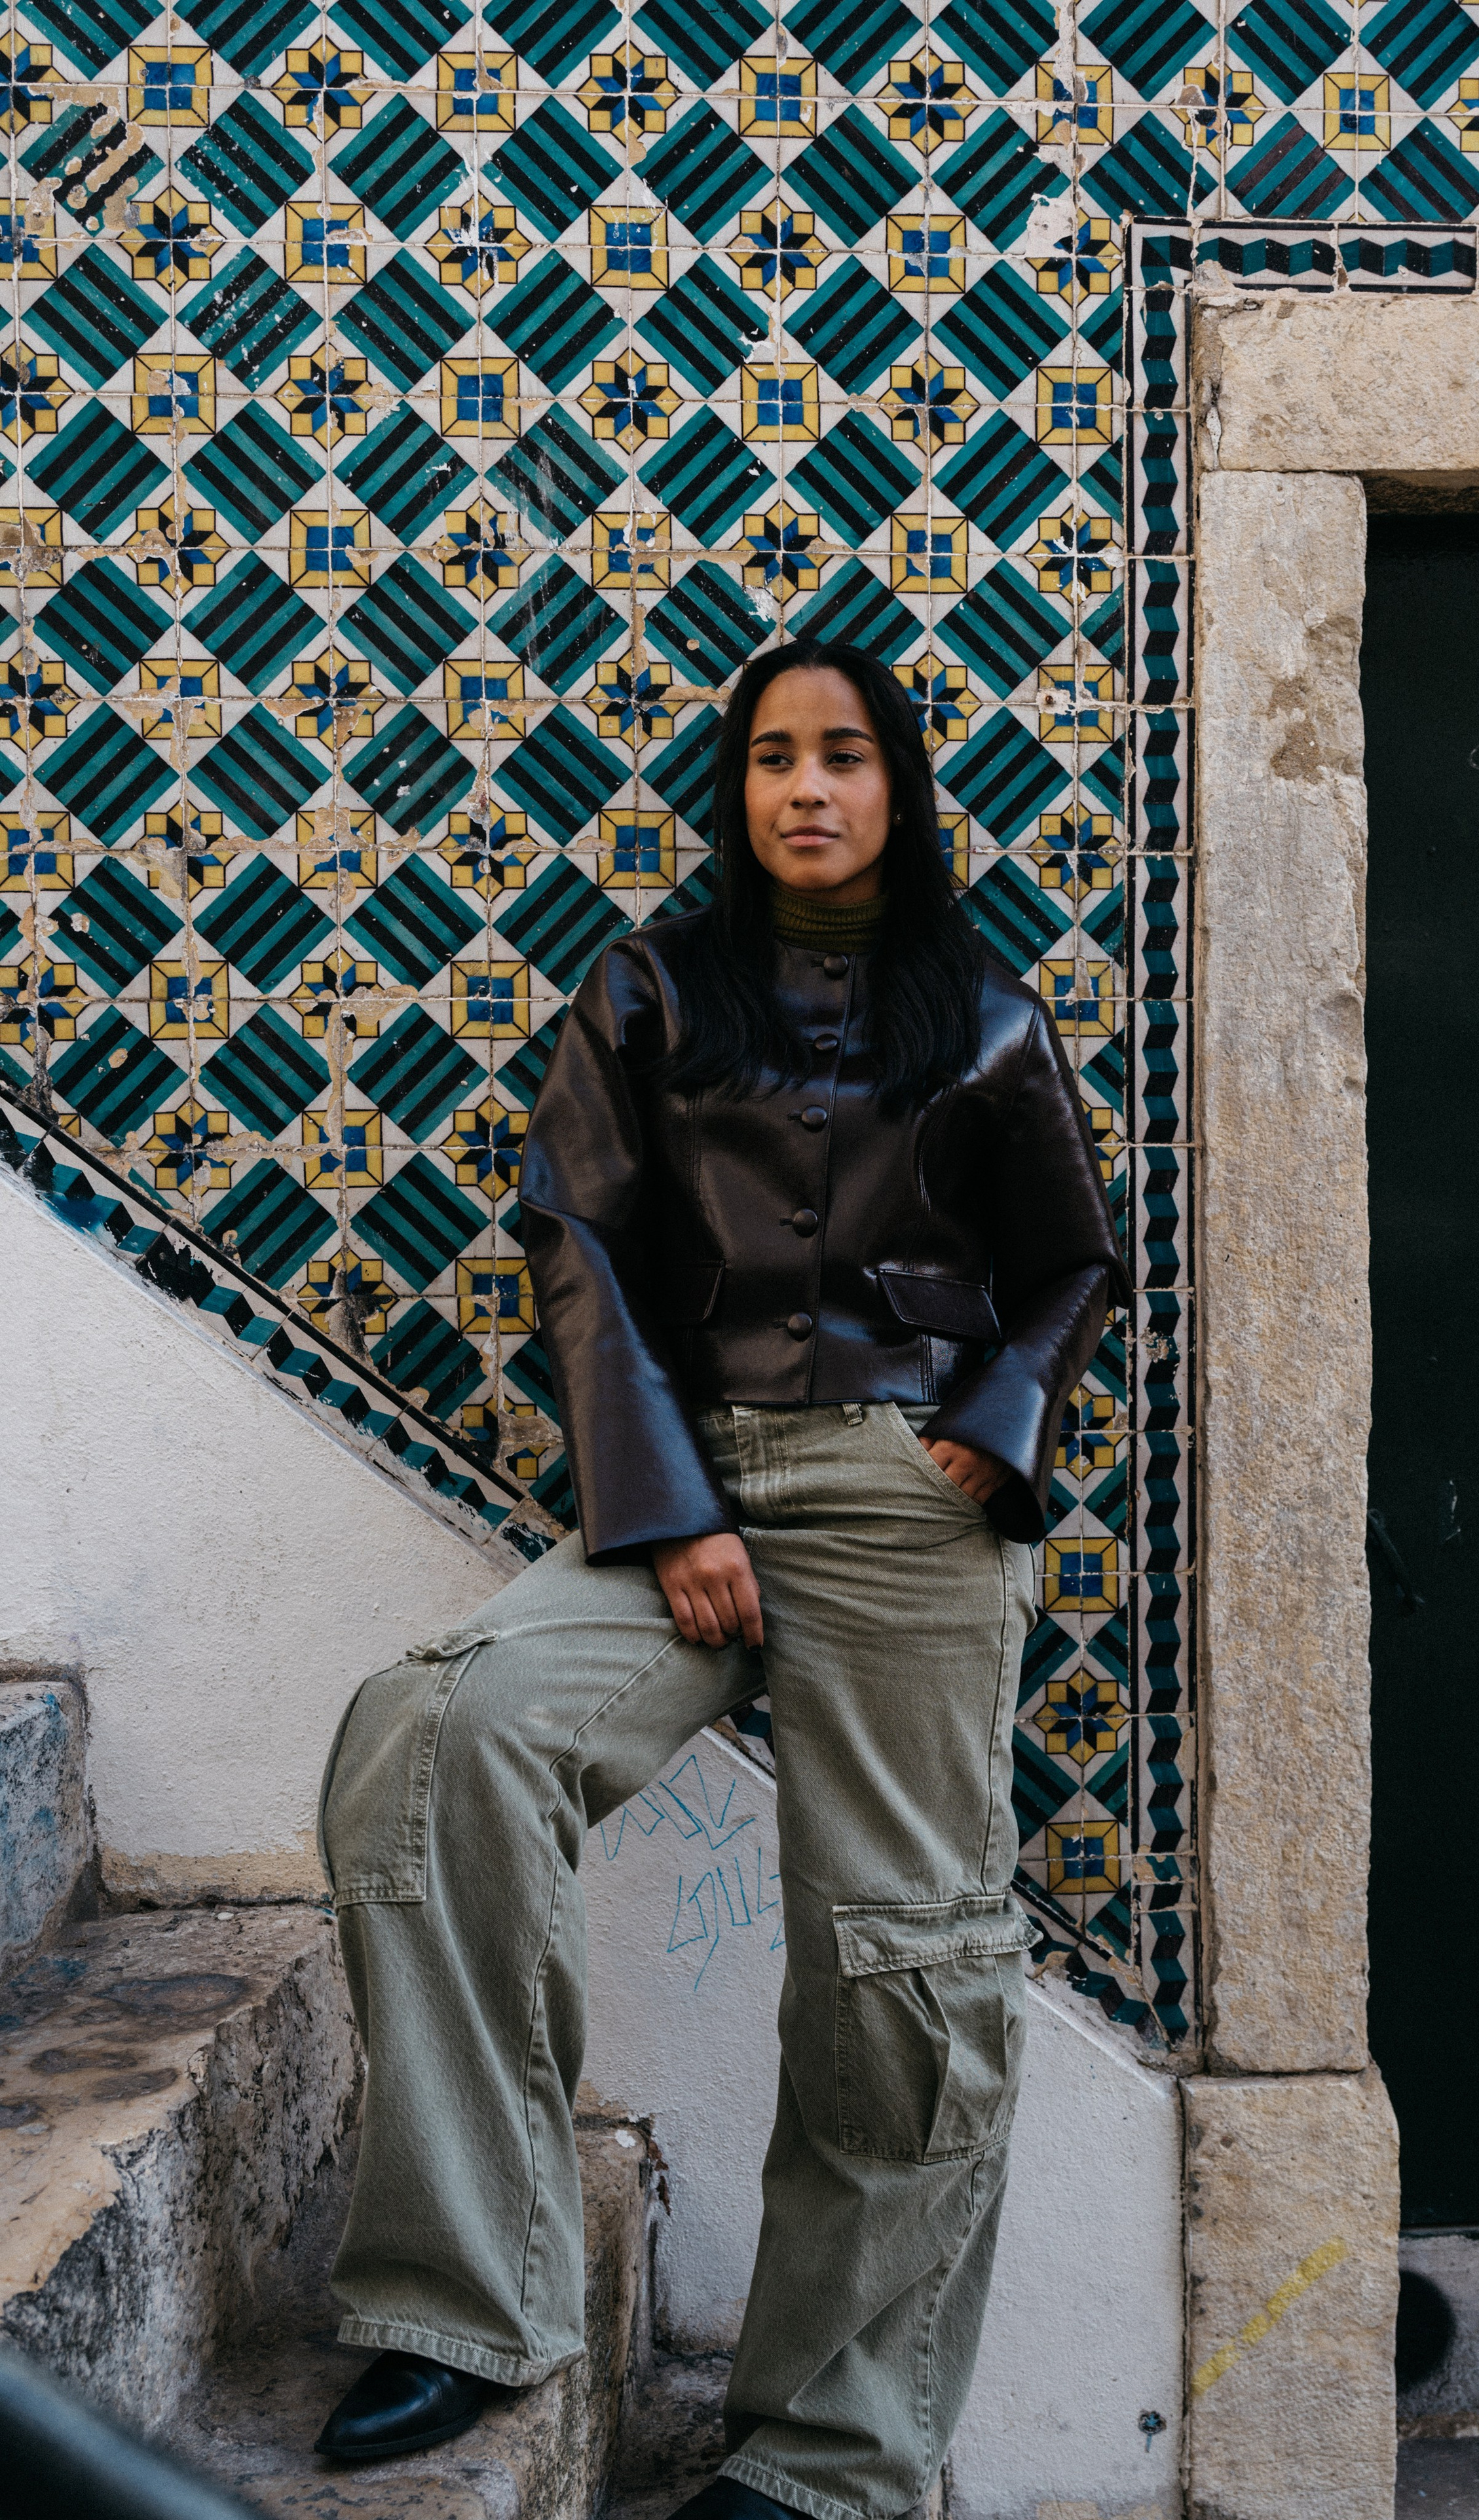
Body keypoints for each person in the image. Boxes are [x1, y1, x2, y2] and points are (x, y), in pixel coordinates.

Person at [312, 638, 1129, 2516]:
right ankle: (469, 2298)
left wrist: (987, 1432)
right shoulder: (650, 992)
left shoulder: (987, 1015)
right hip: (685, 1493)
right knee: (433, 1736)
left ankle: (832, 2450)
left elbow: (1075, 1261)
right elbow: (576, 1239)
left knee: (901, 1957)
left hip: (906, 1501)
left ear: (898, 788)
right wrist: (673, 1509)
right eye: (773, 757)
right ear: (736, 787)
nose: (807, 788)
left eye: (844, 756)